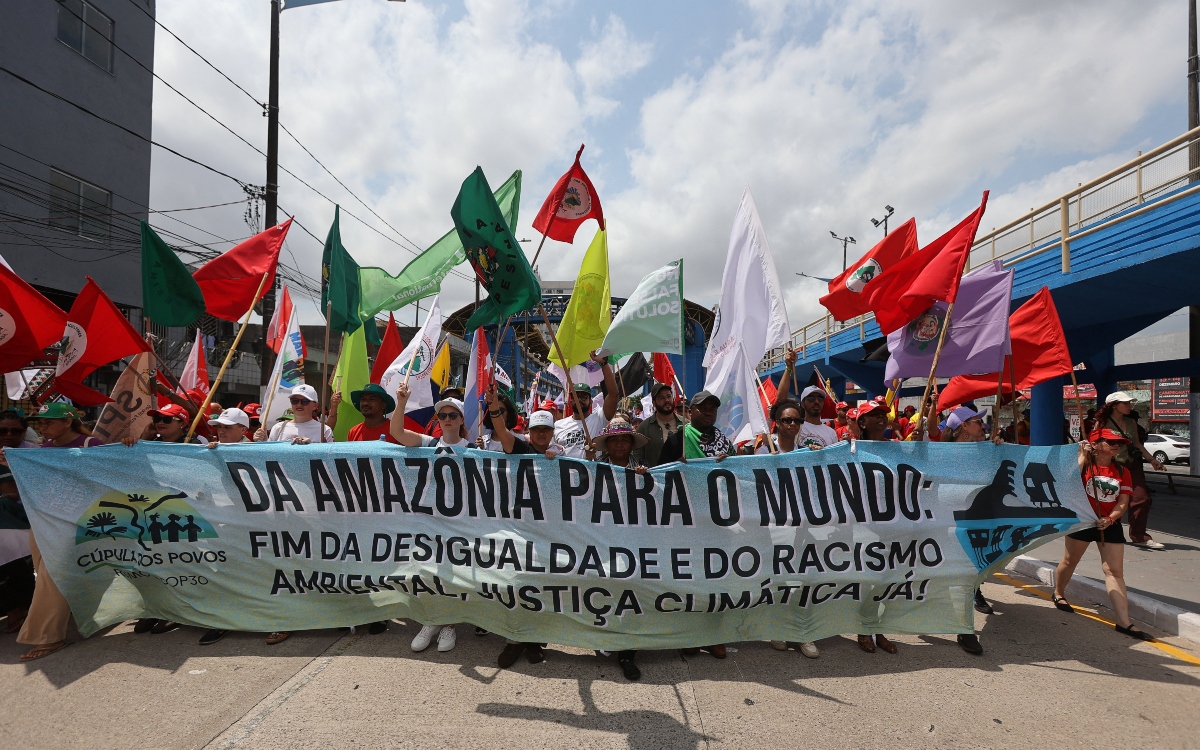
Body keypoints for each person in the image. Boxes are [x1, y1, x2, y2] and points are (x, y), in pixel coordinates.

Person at [13, 404, 102, 661]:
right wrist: (17, 465)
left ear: (67, 422)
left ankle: (48, 636)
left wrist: (128, 445)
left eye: (48, 422)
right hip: (41, 520)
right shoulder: (42, 450)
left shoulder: (91, 445)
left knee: (50, 578)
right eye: (40, 423)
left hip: (72, 523)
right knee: (44, 572)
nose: (42, 427)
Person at [1052, 429, 1154, 641]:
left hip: (1109, 523)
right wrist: (1082, 456)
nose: (1117, 445)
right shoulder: (1085, 465)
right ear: (1096, 444)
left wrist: (1111, 518)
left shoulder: (1122, 470)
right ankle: (1059, 592)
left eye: (1120, 442)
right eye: (1111, 441)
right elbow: (1065, 482)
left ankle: (1124, 622)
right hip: (1082, 520)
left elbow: (1123, 501)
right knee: (1070, 561)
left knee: (1114, 571)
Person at [390, 382, 466, 652]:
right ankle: (431, 621)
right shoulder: (428, 444)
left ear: (461, 419)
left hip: (460, 523)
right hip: (430, 521)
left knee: (453, 575)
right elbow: (396, 432)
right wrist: (401, 402)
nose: (446, 420)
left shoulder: (473, 448)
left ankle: (450, 625)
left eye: (452, 415)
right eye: (442, 416)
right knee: (428, 573)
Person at [657, 391, 730, 660]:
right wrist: (677, 467)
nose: (709, 412)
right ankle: (690, 634)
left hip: (717, 521)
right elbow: (659, 478)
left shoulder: (725, 443)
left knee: (716, 578)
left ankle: (715, 635)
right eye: (703, 408)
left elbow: (740, 477)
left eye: (713, 408)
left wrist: (729, 465)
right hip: (686, 522)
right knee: (690, 578)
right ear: (691, 412)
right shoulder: (678, 440)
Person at [938, 405, 1003, 653]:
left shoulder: (984, 451)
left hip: (973, 523)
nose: (983, 425)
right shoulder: (941, 453)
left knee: (967, 575)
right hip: (945, 524)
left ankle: (965, 630)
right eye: (978, 421)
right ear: (963, 427)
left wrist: (999, 451)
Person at [760, 398, 821, 659]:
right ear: (777, 422)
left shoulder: (807, 451)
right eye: (787, 420)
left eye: (797, 420)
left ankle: (803, 633)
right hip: (775, 527)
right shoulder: (764, 452)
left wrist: (819, 457)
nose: (793, 424)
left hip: (803, 526)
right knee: (779, 579)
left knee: (804, 579)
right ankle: (779, 629)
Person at [849, 399, 899, 655]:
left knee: (886, 580)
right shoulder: (851, 449)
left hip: (891, 524)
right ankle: (863, 627)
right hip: (863, 525)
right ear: (862, 422)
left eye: (884, 414)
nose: (881, 418)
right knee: (868, 578)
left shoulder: (896, 449)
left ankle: (879, 629)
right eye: (874, 414)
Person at [1097, 393, 1165, 549]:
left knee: (1142, 499)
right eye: (1125, 403)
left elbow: (1137, 444)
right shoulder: (1102, 423)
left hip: (1132, 464)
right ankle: (1101, 530)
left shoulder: (1131, 421)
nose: (1129, 406)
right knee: (1107, 499)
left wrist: (1152, 460)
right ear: (1114, 405)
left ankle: (1139, 536)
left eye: (1129, 403)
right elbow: (1096, 443)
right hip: (1112, 465)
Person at [0, 410, 35, 637]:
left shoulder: (35, 453)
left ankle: (18, 607)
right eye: (3, 430)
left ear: (24, 433)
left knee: (12, 556)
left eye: (16, 431)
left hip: (28, 517)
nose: (9, 435)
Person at [554, 354, 619, 459]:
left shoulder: (599, 419)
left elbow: (613, 394)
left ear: (590, 401)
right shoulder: (558, 426)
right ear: (570, 401)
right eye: (576, 396)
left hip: (592, 474)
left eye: (584, 397)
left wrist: (604, 364)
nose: (579, 399)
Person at [256, 385, 333, 444]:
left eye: (305, 401)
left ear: (315, 406)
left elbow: (330, 459)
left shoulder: (325, 430)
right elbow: (269, 455)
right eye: (294, 401)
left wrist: (312, 446)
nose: (299, 405)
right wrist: (263, 442)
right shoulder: (278, 428)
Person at [633, 383, 685, 467]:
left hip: (684, 477)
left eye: (669, 396)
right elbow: (637, 458)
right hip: (656, 478)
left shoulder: (686, 424)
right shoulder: (644, 428)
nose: (667, 400)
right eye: (661, 398)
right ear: (654, 402)